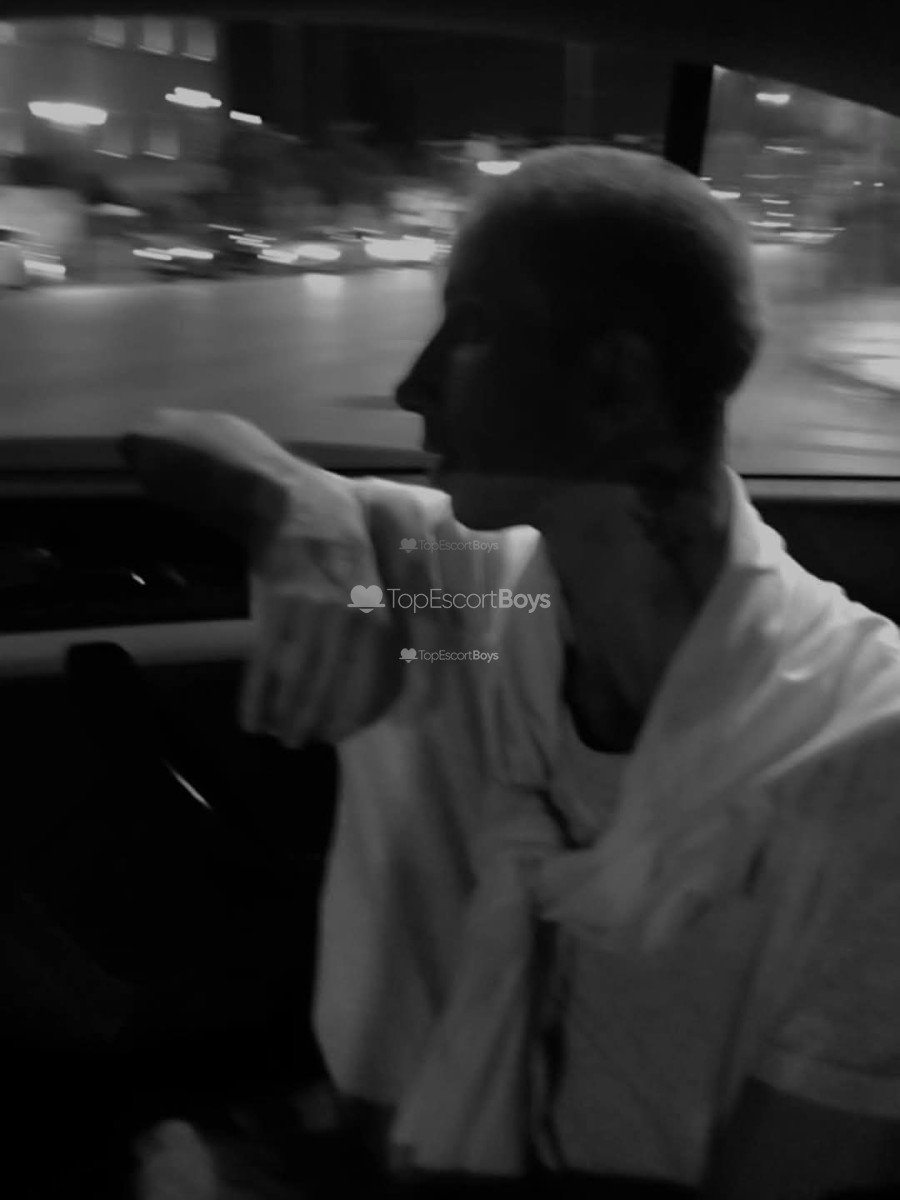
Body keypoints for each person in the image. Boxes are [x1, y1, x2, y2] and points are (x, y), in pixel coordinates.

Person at [121, 147, 900, 1199]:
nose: (413, 384)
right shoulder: (490, 605)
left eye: (473, 327)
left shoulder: (868, 759)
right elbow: (172, 441)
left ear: (617, 386)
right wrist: (300, 513)